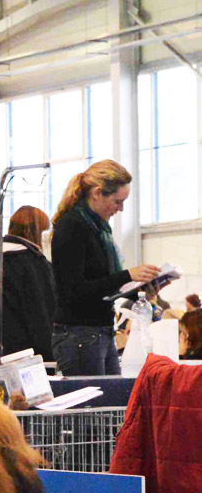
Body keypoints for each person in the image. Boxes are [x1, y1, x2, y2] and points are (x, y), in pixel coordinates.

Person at [50, 160, 160, 376]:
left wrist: (138, 287)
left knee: (110, 405)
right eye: (117, 201)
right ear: (98, 193)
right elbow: (75, 289)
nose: (120, 209)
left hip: (99, 330)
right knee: (94, 407)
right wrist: (126, 275)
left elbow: (101, 286)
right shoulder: (72, 227)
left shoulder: (99, 229)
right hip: (79, 333)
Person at [0, 205, 56, 362]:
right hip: (33, 352)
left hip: (4, 349)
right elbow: (41, 311)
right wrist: (50, 352)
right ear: (32, 231)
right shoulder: (33, 263)